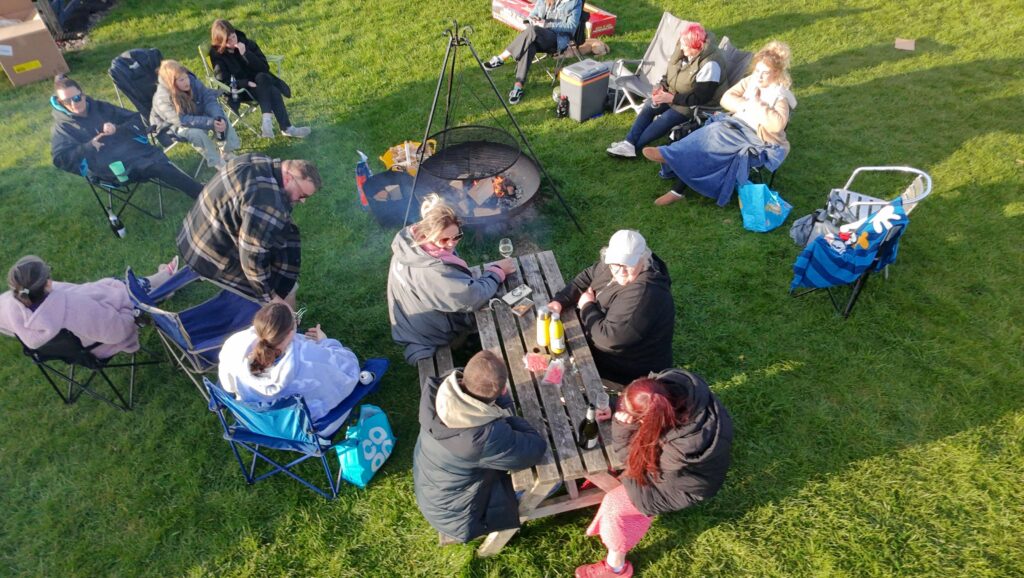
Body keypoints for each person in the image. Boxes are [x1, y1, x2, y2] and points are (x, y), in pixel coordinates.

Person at [575, 370, 733, 578]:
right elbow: (651, 406)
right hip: (683, 465)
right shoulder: (672, 385)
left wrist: (622, 428)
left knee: (615, 506)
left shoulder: (680, 450)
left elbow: (637, 465)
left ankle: (616, 568)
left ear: (650, 420)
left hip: (680, 485)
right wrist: (616, 407)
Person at [413, 350, 547, 543]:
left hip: (433, 491)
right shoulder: (485, 437)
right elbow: (535, 448)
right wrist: (505, 416)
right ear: (502, 391)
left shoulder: (440, 388)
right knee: (550, 478)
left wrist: (497, 410)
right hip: (458, 517)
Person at [643, 40, 796, 207]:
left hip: (757, 139)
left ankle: (672, 163)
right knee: (704, 135)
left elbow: (777, 125)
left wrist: (757, 103)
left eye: (765, 73)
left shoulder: (780, 96)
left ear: (776, 74)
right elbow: (726, 98)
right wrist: (745, 104)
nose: (759, 75)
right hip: (734, 125)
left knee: (712, 140)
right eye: (758, 70)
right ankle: (673, 167)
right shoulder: (751, 81)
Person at [177, 153, 321, 308]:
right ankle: (287, 329)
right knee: (284, 293)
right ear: (288, 178)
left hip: (192, 232)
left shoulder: (258, 160)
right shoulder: (267, 205)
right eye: (302, 195)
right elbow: (252, 261)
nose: (303, 201)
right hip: (207, 254)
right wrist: (272, 298)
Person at [386, 195, 515, 364]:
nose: (451, 244)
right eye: (444, 239)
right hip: (429, 336)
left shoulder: (410, 245)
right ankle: (464, 344)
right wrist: (496, 271)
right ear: (426, 234)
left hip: (410, 324)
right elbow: (472, 298)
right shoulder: (433, 271)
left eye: (456, 236)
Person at [547, 230, 674, 387]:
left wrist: (587, 306)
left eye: (628, 264)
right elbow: (588, 276)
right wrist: (560, 301)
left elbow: (609, 340)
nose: (620, 271)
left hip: (623, 369)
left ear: (644, 258)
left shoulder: (645, 293)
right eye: (615, 264)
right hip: (599, 338)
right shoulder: (614, 264)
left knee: (557, 377)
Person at [218, 302, 361, 436]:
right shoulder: (307, 357)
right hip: (304, 430)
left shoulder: (234, 345)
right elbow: (349, 369)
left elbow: (229, 387)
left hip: (256, 423)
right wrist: (325, 342)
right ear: (291, 333)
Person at [50, 75, 203, 199]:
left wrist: (117, 128)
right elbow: (60, 158)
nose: (73, 104)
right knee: (156, 166)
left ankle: (197, 189)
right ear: (60, 102)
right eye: (66, 101)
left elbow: (137, 119)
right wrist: (88, 147)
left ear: (82, 94)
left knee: (155, 161)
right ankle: (201, 193)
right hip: (107, 169)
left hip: (130, 151)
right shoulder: (63, 127)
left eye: (76, 98)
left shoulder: (100, 107)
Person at [0, 254, 177, 358]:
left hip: (74, 351)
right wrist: (128, 311)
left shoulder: (8, 305)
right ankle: (162, 287)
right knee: (126, 293)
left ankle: (157, 281)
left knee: (112, 288)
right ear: (46, 284)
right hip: (98, 343)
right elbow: (119, 331)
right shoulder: (73, 309)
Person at [606, 22, 728, 158]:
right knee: (649, 106)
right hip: (673, 93)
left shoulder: (710, 65)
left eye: (685, 45)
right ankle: (628, 144)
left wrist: (671, 99)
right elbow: (670, 73)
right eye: (681, 43)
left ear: (696, 46)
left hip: (692, 105)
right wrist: (661, 87)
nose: (681, 48)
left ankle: (632, 146)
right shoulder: (682, 49)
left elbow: (701, 97)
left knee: (665, 119)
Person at [208, 19, 310, 139]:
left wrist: (245, 54)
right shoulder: (217, 56)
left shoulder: (246, 43)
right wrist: (245, 83)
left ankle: (267, 121)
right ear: (220, 42)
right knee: (273, 90)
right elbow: (223, 81)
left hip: (260, 83)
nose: (233, 41)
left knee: (263, 78)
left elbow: (264, 67)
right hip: (241, 90)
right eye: (228, 40)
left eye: (233, 36)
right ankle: (287, 128)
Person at [482, 0, 583, 105]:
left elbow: (571, 26)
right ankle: (518, 87)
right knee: (530, 45)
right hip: (537, 36)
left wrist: (546, 24)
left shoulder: (575, 2)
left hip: (556, 40)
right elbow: (532, 15)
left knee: (534, 31)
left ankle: (502, 58)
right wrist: (531, 20)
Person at [151, 60, 240, 170]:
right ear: (171, 83)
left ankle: (227, 151)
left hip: (196, 114)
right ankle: (218, 163)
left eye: (186, 77)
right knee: (196, 133)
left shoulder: (192, 81)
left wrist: (218, 118)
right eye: (181, 80)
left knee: (220, 117)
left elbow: (208, 98)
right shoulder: (162, 98)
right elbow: (180, 120)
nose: (186, 82)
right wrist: (210, 123)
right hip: (175, 126)